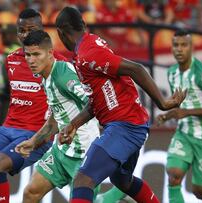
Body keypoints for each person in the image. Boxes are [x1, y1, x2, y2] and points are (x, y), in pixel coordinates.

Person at [55, 6, 186, 203]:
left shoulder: (88, 53)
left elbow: (136, 69)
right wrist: (74, 124)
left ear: (60, 32)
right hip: (129, 123)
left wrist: (163, 103)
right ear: (84, 24)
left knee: (83, 180)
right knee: (122, 180)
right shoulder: (89, 47)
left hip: (125, 125)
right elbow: (96, 101)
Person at [0, 8, 66, 203]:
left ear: (42, 30)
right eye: (21, 30)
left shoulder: (59, 64)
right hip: (8, 128)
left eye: (31, 29)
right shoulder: (11, 60)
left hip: (36, 134)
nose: (25, 35)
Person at [15, 30, 127, 203]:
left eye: (36, 54)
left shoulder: (63, 75)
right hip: (61, 151)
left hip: (83, 154)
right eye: (27, 55)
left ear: (50, 53)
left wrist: (75, 127)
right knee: (31, 192)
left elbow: (93, 102)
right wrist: (34, 141)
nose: (31, 60)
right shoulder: (46, 77)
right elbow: (56, 118)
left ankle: (118, 195)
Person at [156, 29, 202, 203]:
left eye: (184, 45)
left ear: (191, 47)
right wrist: (167, 115)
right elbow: (181, 105)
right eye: (175, 45)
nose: (179, 49)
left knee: (199, 191)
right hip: (185, 132)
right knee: (173, 175)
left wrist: (186, 112)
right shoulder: (172, 72)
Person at [0, 24, 21, 125]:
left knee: (4, 127)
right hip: (16, 96)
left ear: (12, 36)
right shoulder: (21, 50)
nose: (1, 38)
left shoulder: (10, 52)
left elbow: (9, 75)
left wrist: (8, 91)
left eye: (4, 35)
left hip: (8, 95)